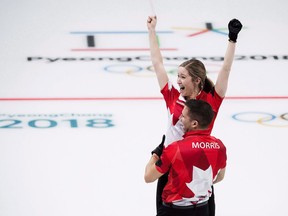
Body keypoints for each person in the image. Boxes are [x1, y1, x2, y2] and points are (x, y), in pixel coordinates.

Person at [146, 16, 242, 216]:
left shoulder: (211, 100)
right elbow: (157, 63)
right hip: (169, 166)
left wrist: (232, 38)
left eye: (182, 77)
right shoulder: (173, 96)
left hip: (198, 169)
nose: (177, 80)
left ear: (197, 80)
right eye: (177, 76)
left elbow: (226, 68)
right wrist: (152, 31)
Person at [144, 99, 227, 216]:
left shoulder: (175, 148)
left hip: (173, 211)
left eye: (183, 116)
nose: (180, 119)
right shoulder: (220, 147)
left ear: (194, 124)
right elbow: (220, 176)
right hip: (202, 209)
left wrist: (156, 154)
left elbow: (148, 177)